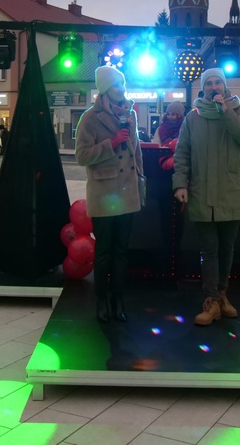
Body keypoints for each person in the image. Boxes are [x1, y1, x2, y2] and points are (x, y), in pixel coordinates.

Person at [173, 68, 240, 326]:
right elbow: (182, 154)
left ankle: (223, 295)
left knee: (227, 247)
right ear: (203, 88)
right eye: (209, 83)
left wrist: (226, 112)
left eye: (217, 83)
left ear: (225, 86)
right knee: (209, 249)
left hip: (231, 192)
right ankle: (210, 300)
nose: (213, 87)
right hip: (203, 193)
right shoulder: (193, 118)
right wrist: (180, 184)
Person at [75, 65, 143, 323]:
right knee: (104, 252)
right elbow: (82, 156)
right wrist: (111, 143)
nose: (121, 89)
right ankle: (102, 300)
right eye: (115, 85)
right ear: (104, 88)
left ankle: (118, 299)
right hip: (104, 192)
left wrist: (141, 178)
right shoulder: (90, 118)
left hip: (127, 191)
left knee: (122, 251)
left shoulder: (130, 114)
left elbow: (136, 151)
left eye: (122, 84)